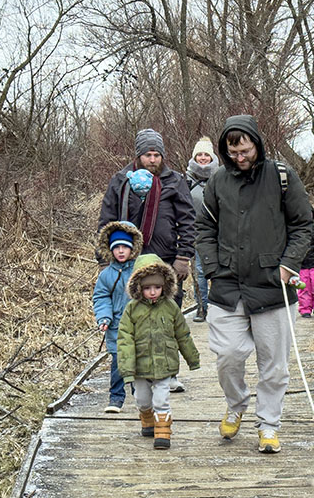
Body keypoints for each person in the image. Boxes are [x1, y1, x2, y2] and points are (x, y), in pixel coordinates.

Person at [195, 114, 313, 454]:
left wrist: (289, 265)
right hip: (228, 285)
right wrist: (213, 268)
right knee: (228, 356)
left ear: (257, 145)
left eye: (245, 151)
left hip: (272, 285)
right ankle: (236, 404)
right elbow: (203, 226)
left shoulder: (281, 176)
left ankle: (269, 425)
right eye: (233, 153)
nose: (240, 158)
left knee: (273, 365)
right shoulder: (217, 181)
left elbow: (303, 223)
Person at [98, 128, 195, 392]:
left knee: (167, 316)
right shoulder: (121, 180)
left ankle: (168, 373)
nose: (152, 160)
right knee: (132, 317)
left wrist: (184, 256)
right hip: (128, 260)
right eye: (147, 155)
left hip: (165, 260)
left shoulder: (175, 181)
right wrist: (104, 259)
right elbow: (107, 220)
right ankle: (138, 373)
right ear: (138, 155)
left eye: (156, 155)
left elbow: (187, 220)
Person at [117, 254, 201, 450]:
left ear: (165, 285)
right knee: (142, 399)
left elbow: (183, 334)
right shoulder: (132, 310)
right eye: (147, 288)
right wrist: (127, 368)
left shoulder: (171, 308)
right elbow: (125, 339)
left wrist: (192, 358)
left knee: (161, 399)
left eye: (157, 287)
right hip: (140, 364)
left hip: (164, 364)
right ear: (139, 288)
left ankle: (163, 430)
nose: (153, 292)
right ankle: (147, 416)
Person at [92, 221, 143, 414]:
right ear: (111, 250)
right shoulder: (106, 275)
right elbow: (101, 297)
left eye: (125, 247)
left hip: (139, 325)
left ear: (132, 248)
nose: (121, 251)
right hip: (116, 326)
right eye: (117, 248)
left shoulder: (140, 271)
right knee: (118, 361)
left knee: (138, 361)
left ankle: (140, 395)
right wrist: (104, 317)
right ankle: (116, 397)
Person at [185, 136, 220, 322]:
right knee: (199, 273)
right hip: (195, 233)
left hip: (218, 233)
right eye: (200, 154)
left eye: (207, 154)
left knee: (218, 271)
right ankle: (202, 308)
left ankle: (218, 308)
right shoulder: (187, 179)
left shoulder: (221, 177)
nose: (203, 158)